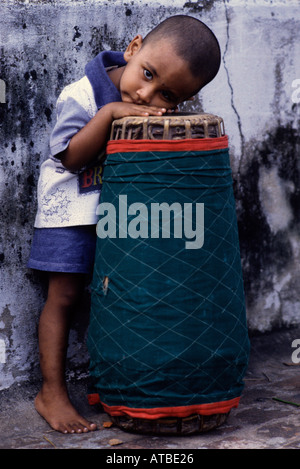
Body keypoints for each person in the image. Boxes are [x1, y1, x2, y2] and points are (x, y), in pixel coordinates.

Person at [27, 14, 221, 434]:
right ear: (133, 49)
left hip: (120, 221)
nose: (146, 94)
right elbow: (71, 158)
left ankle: (115, 387)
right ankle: (51, 391)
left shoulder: (151, 107)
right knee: (63, 298)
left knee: (119, 299)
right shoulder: (81, 95)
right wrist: (112, 111)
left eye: (166, 94)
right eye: (147, 74)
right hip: (71, 212)